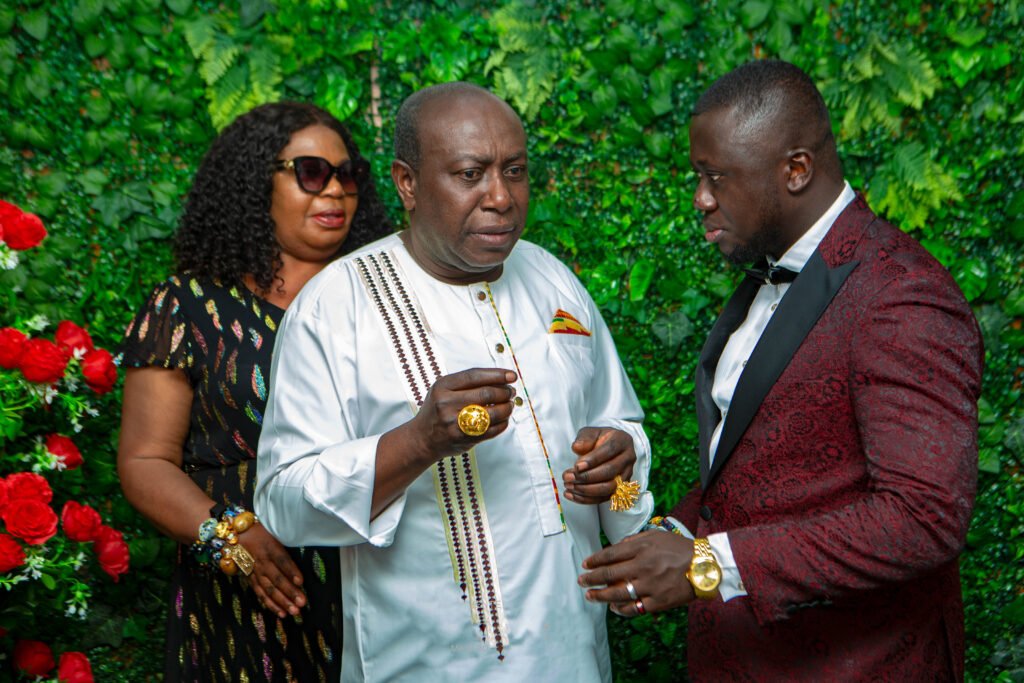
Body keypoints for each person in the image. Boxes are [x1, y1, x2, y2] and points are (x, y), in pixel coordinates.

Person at [578, 60, 983, 681]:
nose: (700, 198)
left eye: (717, 177)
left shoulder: (902, 296)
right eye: (698, 176)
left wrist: (705, 566)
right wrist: (644, 515)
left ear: (796, 170)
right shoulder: (768, 275)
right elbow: (747, 484)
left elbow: (923, 518)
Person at [254, 82, 653, 682]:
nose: (501, 197)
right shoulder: (336, 306)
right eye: (470, 174)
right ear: (408, 183)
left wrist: (620, 470)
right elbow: (283, 503)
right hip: (421, 666)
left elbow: (622, 442)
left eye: (514, 171)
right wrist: (417, 443)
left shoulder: (553, 279)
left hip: (574, 657)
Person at [117, 101, 392, 682]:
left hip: (377, 581)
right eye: (312, 172)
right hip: (242, 602)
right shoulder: (189, 306)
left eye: (348, 175)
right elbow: (145, 461)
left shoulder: (387, 306)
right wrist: (231, 537)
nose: (335, 190)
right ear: (253, 183)